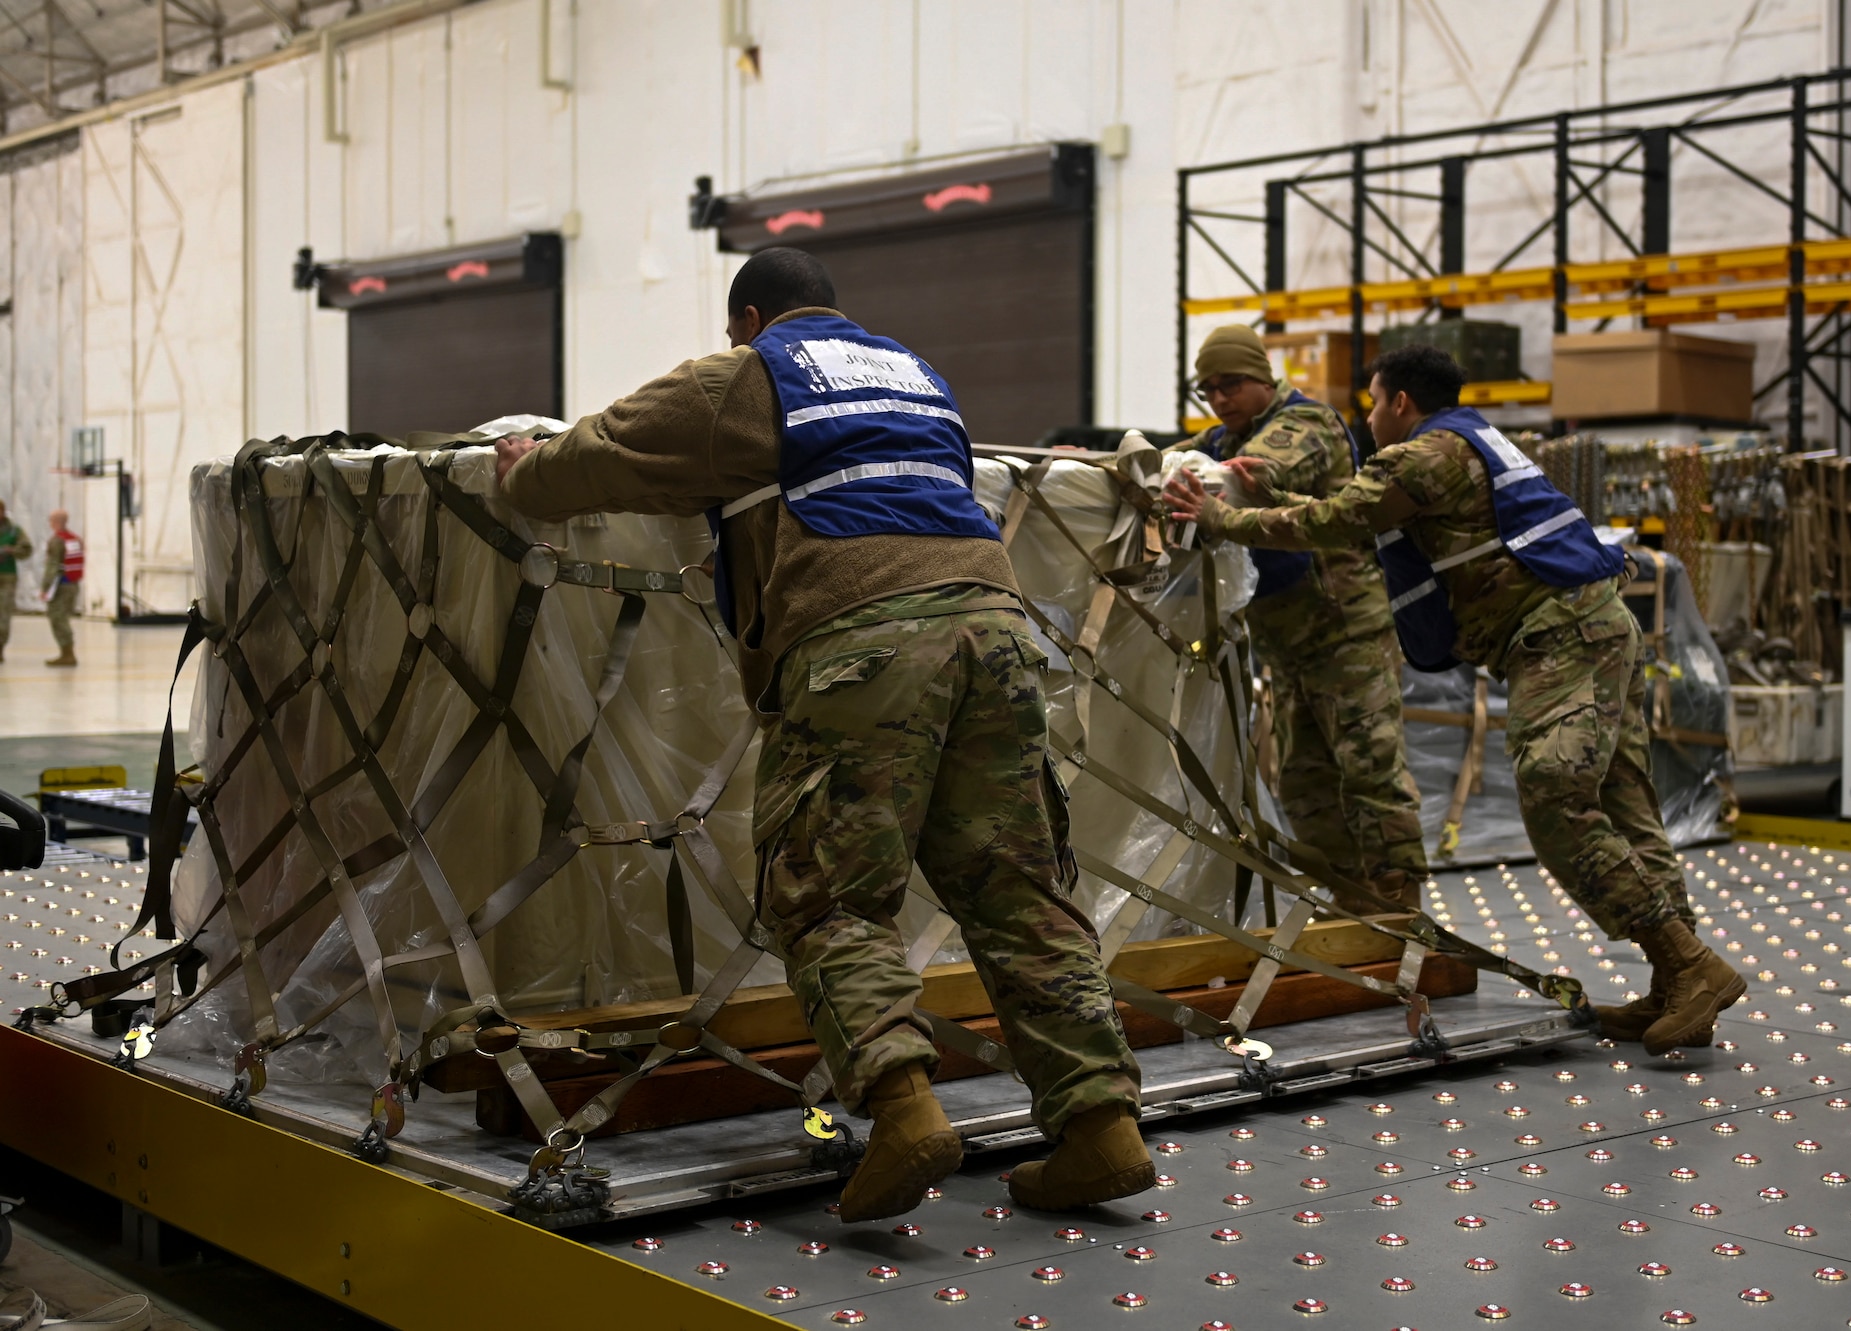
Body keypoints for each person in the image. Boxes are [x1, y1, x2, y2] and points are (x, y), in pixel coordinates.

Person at [496, 247, 1147, 1218]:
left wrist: (524, 473)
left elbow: (601, 455)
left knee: (827, 891)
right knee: (1019, 887)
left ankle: (901, 1110)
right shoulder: (918, 377)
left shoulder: (748, 374)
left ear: (748, 317)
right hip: (998, 629)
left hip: (866, 641)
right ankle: (1102, 1128)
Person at [1164, 345, 1743, 1054]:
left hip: (1558, 634)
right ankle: (1675, 981)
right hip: (1591, 623)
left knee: (1554, 791)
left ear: (1401, 403)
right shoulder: (1471, 437)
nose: (1368, 419)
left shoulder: (1419, 456)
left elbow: (1337, 520)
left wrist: (1222, 518)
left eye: (1374, 404)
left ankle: (1689, 965)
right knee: (1623, 801)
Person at [1179, 326, 1426, 910]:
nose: (1219, 398)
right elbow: (1179, 456)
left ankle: (1403, 909)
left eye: (1231, 384)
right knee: (1305, 783)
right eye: (1208, 389)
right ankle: (1354, 906)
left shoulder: (1305, 424)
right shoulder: (1223, 435)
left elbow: (1259, 472)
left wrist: (1202, 479)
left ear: (1264, 378)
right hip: (1288, 644)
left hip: (1345, 632)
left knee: (1372, 772)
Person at [42, 509, 82, 669]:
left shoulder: (57, 540)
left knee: (57, 618)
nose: (50, 523)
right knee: (63, 617)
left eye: (51, 520)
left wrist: (45, 588)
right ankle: (67, 652)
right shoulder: (75, 539)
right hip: (73, 584)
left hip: (60, 585)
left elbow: (52, 566)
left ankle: (67, 653)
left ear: (56, 522)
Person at [0, 501, 31, 663]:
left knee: (3, 614)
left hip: (7, 577)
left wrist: (12, 551)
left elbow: (27, 549)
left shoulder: (14, 531)